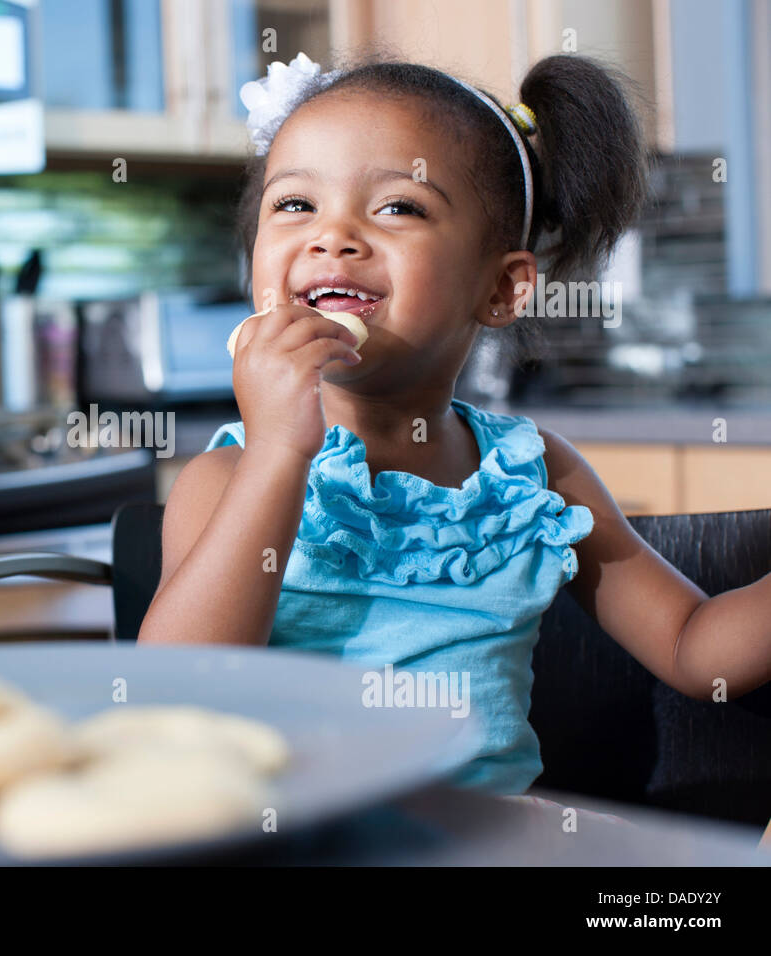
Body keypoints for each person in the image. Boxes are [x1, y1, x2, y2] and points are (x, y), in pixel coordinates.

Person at [138, 51, 771, 804]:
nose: (331, 236)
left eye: (398, 207)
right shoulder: (228, 479)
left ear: (502, 287)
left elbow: (695, 648)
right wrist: (279, 449)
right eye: (295, 205)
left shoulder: (537, 477)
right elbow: (173, 703)